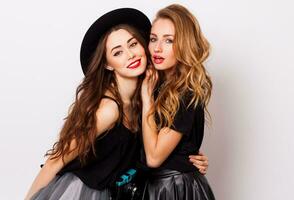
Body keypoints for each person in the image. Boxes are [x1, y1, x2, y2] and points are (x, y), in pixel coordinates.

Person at [25, 7, 209, 200]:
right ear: (107, 64)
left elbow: (155, 144)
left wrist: (186, 155)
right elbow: (55, 161)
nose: (130, 55)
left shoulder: (148, 94)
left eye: (133, 44)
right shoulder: (109, 109)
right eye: (118, 52)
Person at [141, 4, 215, 200]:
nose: (157, 48)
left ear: (185, 44)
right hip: (149, 186)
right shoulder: (151, 81)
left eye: (169, 41)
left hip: (175, 189)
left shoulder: (187, 92)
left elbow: (154, 157)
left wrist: (146, 99)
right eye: (153, 39)